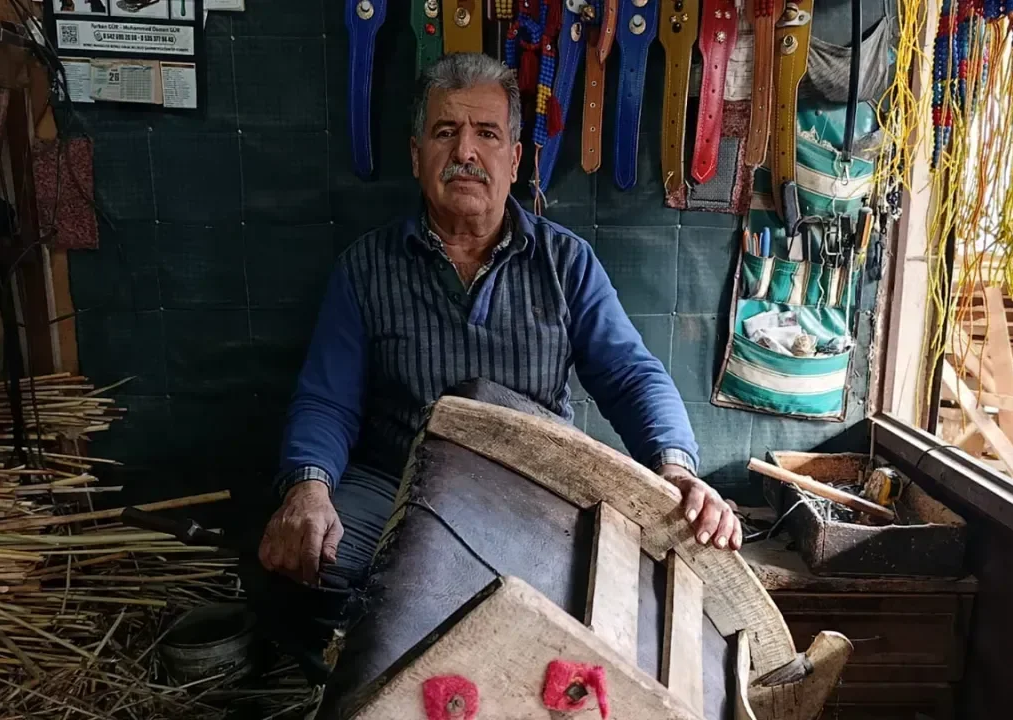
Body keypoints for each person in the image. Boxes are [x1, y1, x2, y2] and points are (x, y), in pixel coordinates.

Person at [247, 52, 742, 676]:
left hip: (534, 495)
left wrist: (675, 469)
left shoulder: (566, 264)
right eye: (445, 132)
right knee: (304, 563)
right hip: (396, 486)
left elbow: (631, 375)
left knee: (591, 620)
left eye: (486, 133)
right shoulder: (366, 267)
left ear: (514, 158)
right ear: (416, 155)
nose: (465, 152)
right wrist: (309, 487)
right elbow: (327, 400)